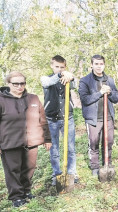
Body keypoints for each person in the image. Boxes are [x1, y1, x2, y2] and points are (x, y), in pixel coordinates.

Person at [0, 72, 51, 207]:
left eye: (22, 83)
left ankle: (26, 191)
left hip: (31, 141)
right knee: (13, 170)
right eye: (15, 84)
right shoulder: (1, 100)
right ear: (8, 84)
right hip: (9, 142)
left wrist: (47, 139)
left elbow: (43, 120)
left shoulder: (33, 99)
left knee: (29, 168)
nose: (19, 86)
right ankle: (16, 197)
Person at [78, 55, 118, 176]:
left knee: (109, 142)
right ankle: (95, 167)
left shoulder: (109, 80)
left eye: (101, 64)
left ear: (104, 65)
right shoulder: (85, 80)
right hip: (93, 118)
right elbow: (85, 99)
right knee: (94, 142)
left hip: (108, 117)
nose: (99, 66)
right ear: (91, 65)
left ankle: (107, 163)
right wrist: (100, 93)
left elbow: (116, 98)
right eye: (96, 64)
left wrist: (110, 92)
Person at [40, 55, 78, 186]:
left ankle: (72, 173)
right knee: (54, 149)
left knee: (71, 148)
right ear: (52, 66)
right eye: (57, 67)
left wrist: (71, 77)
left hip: (68, 118)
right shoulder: (46, 78)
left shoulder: (68, 79)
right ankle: (56, 174)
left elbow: (75, 84)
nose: (59, 69)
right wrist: (61, 74)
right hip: (51, 120)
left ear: (65, 67)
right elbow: (47, 83)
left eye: (62, 67)